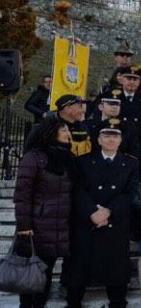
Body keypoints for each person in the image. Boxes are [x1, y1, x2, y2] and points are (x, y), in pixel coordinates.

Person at [65, 122, 141, 308]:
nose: (111, 139)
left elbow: (130, 192)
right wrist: (92, 212)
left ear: (121, 140)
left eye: (115, 136)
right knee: (79, 267)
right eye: (106, 136)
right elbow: (78, 189)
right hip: (87, 220)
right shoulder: (82, 161)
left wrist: (109, 211)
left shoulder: (131, 163)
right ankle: (73, 302)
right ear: (98, 139)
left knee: (115, 269)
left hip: (114, 220)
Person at [14, 118, 73, 308]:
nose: (68, 133)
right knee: (31, 274)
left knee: (46, 274)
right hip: (36, 226)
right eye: (63, 129)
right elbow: (23, 194)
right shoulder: (34, 158)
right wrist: (24, 226)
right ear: (50, 132)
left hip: (59, 226)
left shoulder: (67, 157)